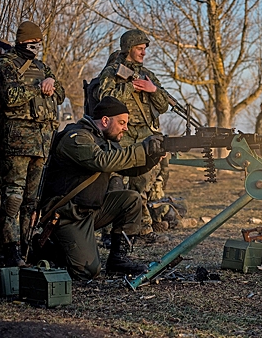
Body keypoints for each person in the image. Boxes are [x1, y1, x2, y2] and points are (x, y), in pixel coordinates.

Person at [36, 96, 166, 280]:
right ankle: (50, 249)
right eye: (121, 122)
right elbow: (102, 161)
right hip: (68, 215)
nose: (125, 128)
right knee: (88, 271)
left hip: (92, 211)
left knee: (131, 199)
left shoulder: (103, 139)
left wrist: (152, 157)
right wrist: (142, 149)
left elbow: (126, 166)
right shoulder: (76, 137)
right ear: (105, 121)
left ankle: (118, 261)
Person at [0, 21, 65, 267]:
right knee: (12, 198)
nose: (37, 47)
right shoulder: (6, 65)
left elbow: (60, 95)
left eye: (39, 42)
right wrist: (38, 86)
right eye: (33, 42)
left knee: (31, 201)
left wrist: (52, 84)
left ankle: (27, 250)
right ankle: (10, 250)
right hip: (16, 143)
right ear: (23, 42)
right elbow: (10, 96)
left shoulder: (42, 66)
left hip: (41, 143)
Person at [98, 29, 171, 241]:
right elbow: (104, 98)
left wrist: (152, 89)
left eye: (144, 49)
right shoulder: (112, 71)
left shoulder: (148, 74)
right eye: (140, 49)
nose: (143, 53)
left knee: (142, 183)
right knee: (116, 183)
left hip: (145, 135)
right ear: (129, 48)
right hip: (122, 134)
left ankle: (142, 228)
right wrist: (130, 87)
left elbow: (164, 105)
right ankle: (110, 232)